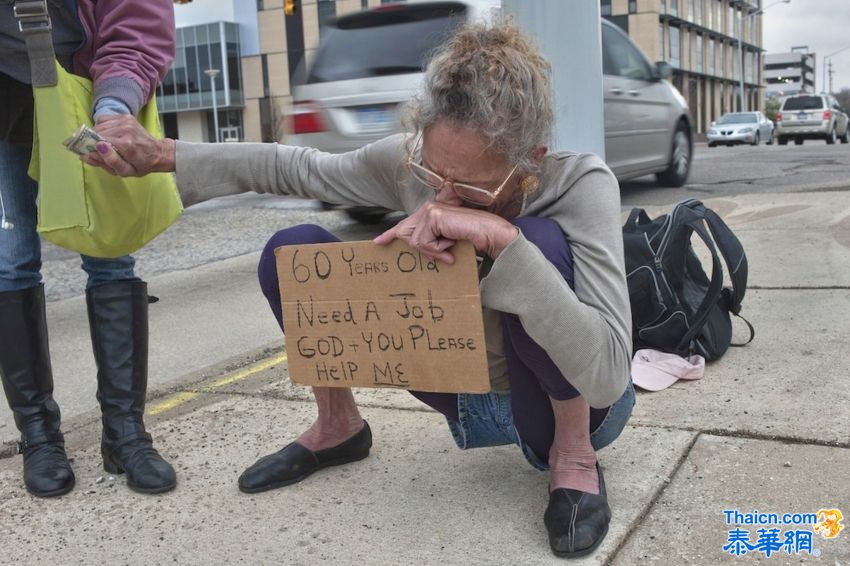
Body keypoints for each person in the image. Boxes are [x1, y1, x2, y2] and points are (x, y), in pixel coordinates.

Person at [86, 22, 635, 557]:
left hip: (567, 401)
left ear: (530, 162)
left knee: (537, 241)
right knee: (292, 249)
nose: (440, 197)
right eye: (431, 173)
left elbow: (609, 373)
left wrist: (504, 240)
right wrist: (162, 154)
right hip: (461, 385)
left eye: (468, 187)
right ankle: (339, 426)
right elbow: (294, 167)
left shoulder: (580, 184)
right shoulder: (409, 165)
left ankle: (574, 458)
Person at [0, 1, 177, 497]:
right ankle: (39, 437)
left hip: (84, 94)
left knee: (111, 251)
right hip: (4, 104)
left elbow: (136, 23)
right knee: (10, 264)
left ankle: (124, 434)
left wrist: (116, 104)